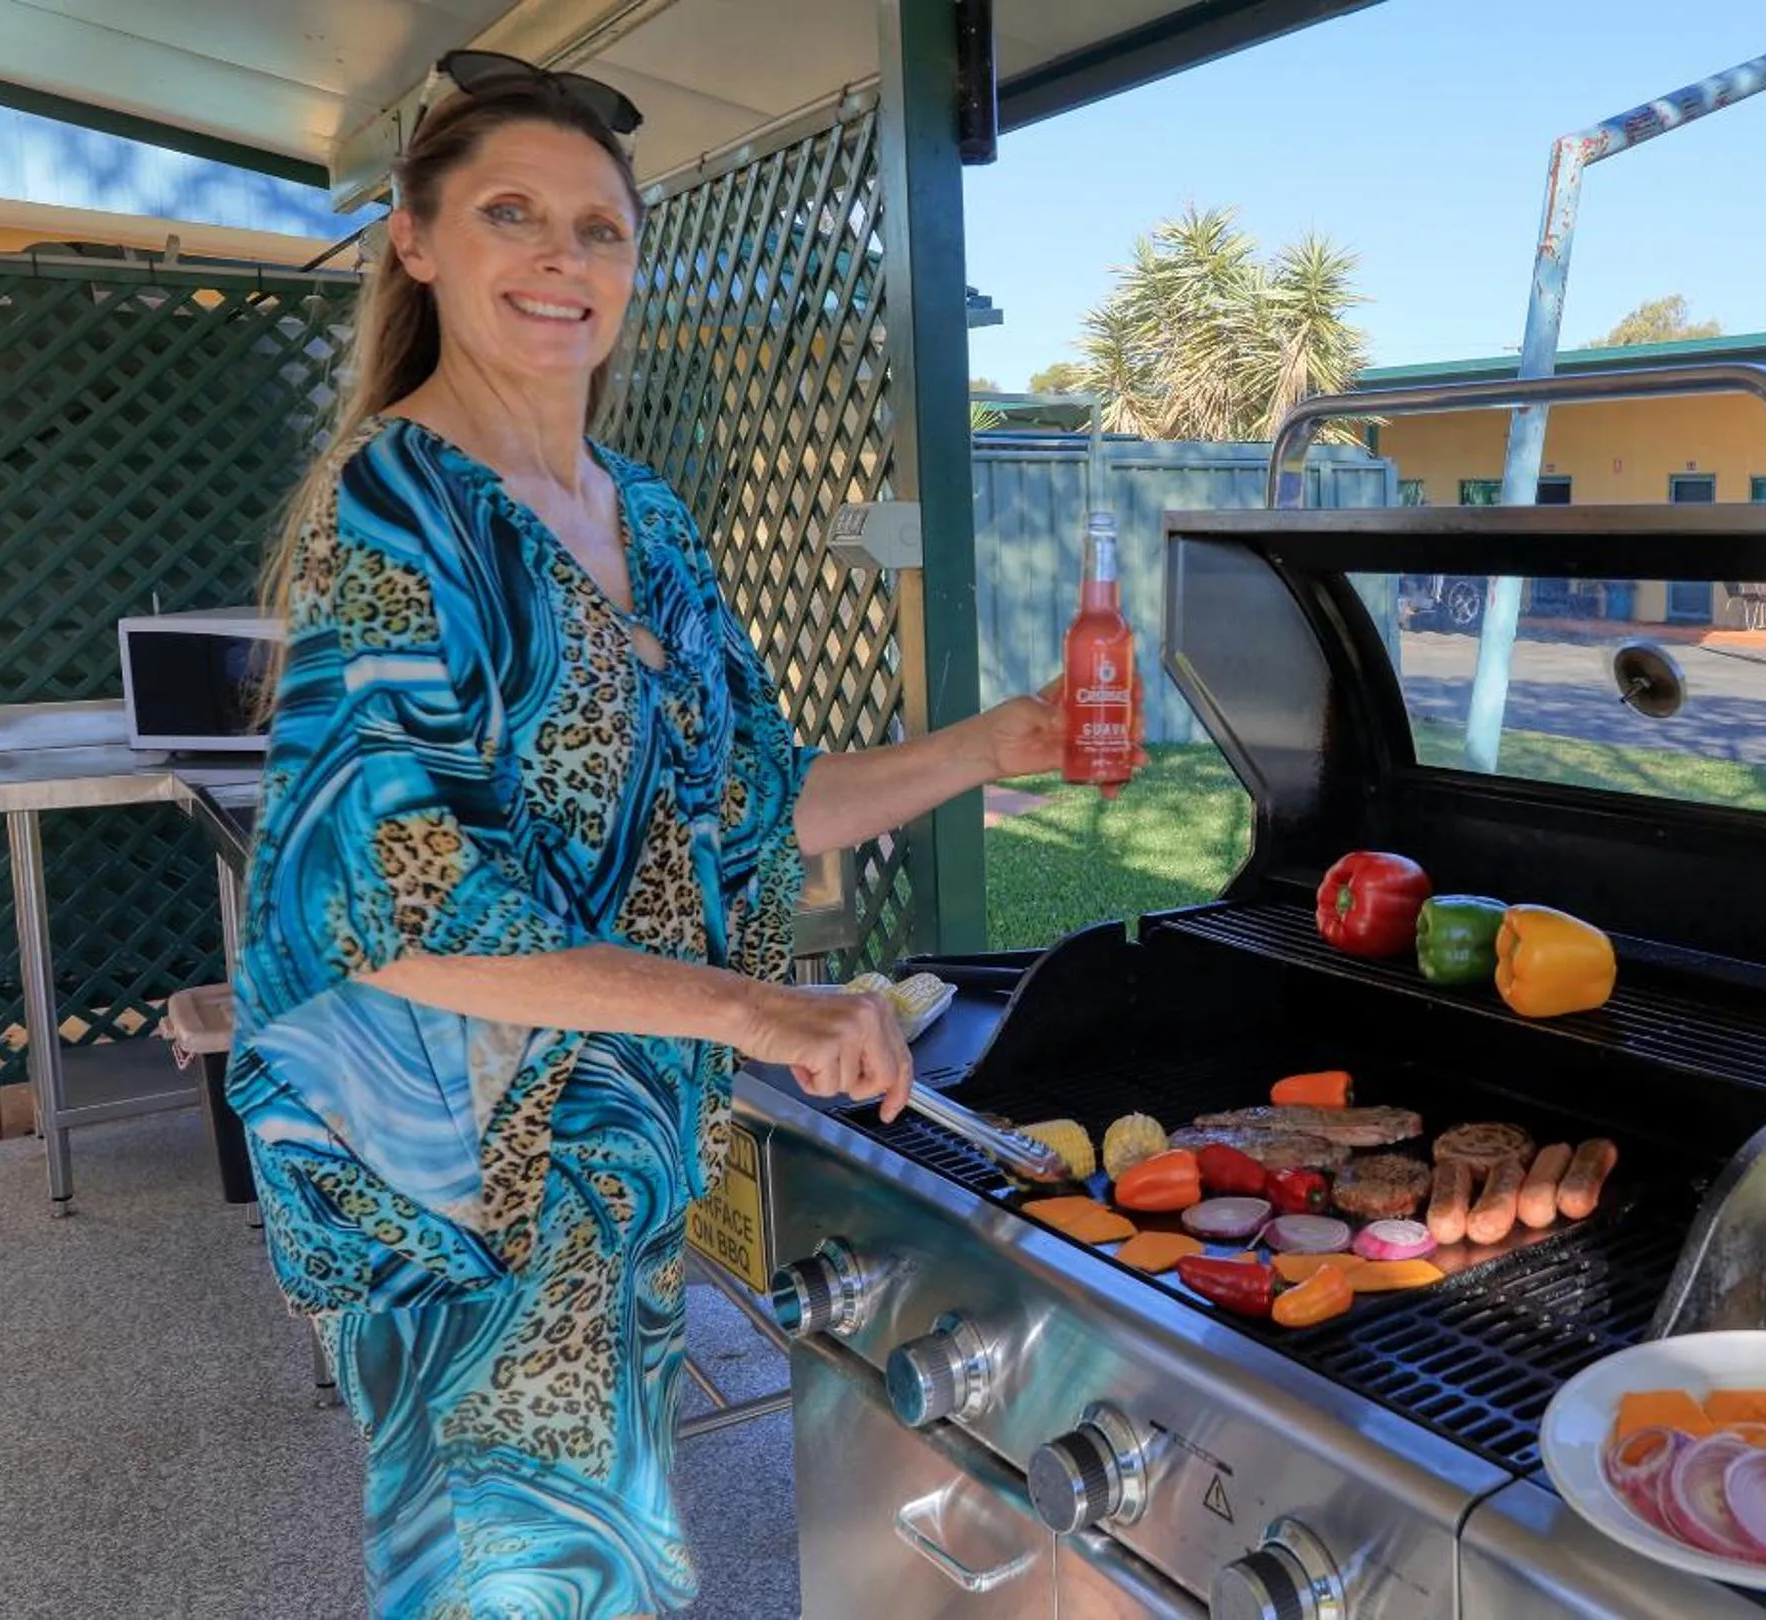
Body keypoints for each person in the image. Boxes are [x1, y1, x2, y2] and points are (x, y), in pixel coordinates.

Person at [228, 52, 1117, 1618]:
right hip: (454, 1178)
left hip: (609, 1139)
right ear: (417, 241)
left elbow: (750, 806)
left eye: (600, 229)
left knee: (607, 1552)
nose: (564, 259)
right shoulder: (397, 512)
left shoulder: (643, 516)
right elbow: (394, 909)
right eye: (513, 214)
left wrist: (994, 744)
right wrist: (756, 1011)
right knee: (534, 1577)